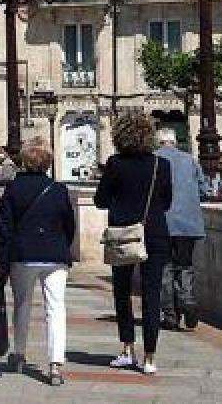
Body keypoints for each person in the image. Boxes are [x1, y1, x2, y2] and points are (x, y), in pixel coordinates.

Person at [95, 112, 173, 375]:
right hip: (155, 233)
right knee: (152, 295)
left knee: (122, 291)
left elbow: (100, 200)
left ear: (120, 136)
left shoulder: (115, 164)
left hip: (123, 235)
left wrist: (120, 200)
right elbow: (167, 201)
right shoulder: (160, 166)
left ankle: (128, 348)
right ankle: (150, 357)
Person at [0, 138, 75, 387]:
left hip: (23, 255)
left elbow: (4, 228)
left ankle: (19, 353)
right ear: (49, 161)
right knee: (56, 307)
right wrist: (61, 246)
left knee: (22, 304)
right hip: (55, 255)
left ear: (25, 161)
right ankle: (55, 364)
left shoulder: (14, 188)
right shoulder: (59, 189)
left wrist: (2, 262)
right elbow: (69, 226)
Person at [154, 128, 208, 331]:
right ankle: (188, 300)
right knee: (185, 264)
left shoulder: (155, 160)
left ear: (158, 142)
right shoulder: (190, 160)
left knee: (165, 269)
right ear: (175, 141)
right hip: (189, 224)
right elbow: (203, 190)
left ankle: (170, 316)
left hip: (163, 223)